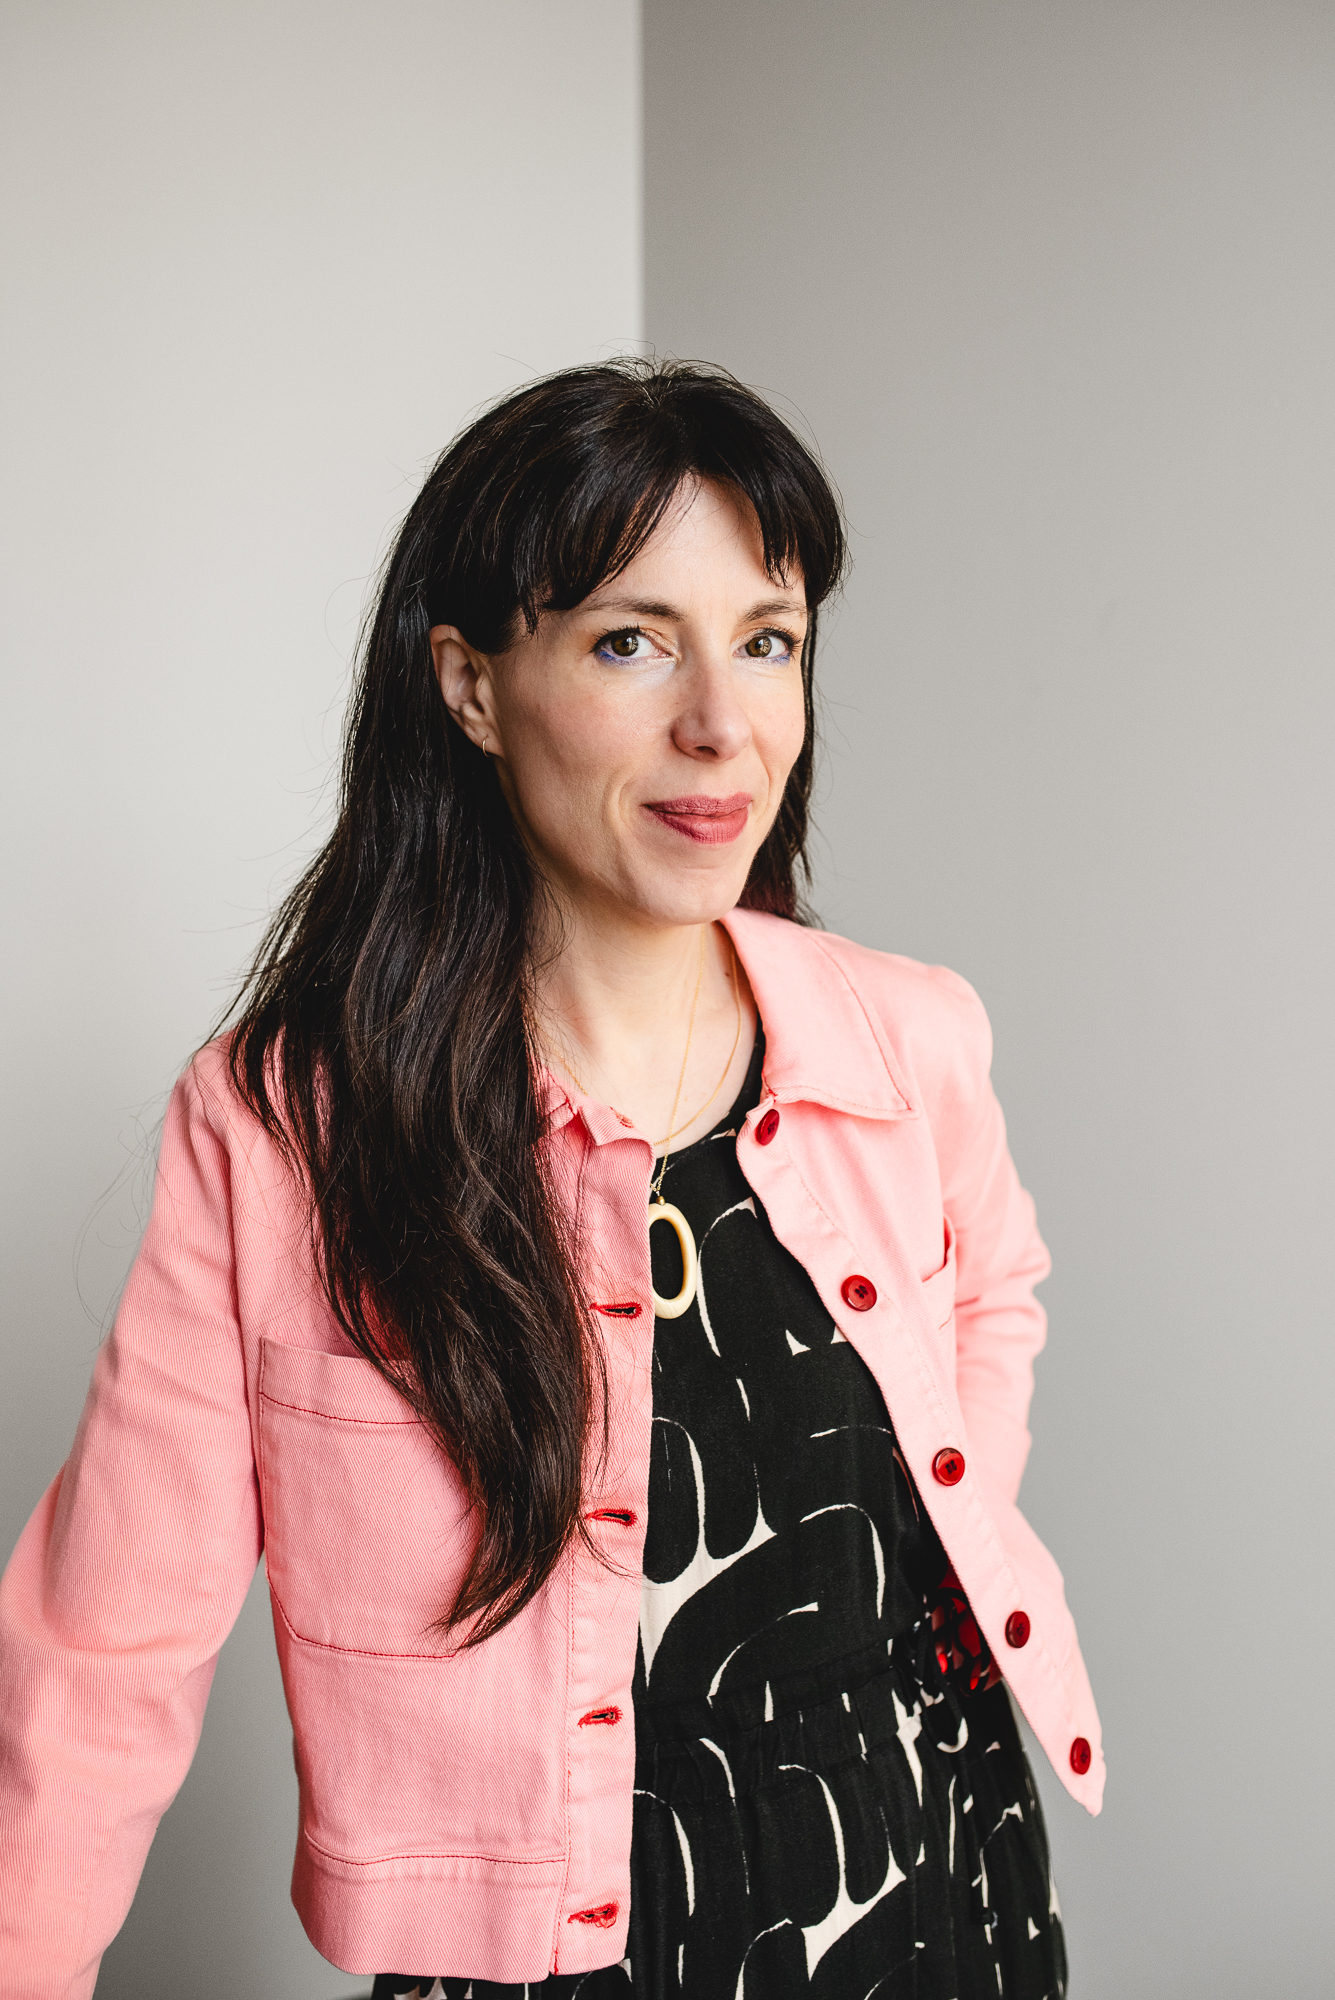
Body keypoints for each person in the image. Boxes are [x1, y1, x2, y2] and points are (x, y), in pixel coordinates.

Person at [0, 360, 1102, 1999]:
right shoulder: (288, 1132)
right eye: (630, 640)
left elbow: (995, 1285)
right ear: (470, 684)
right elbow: (99, 1658)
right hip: (545, 1963)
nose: (723, 723)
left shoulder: (906, 1039)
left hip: (930, 1888)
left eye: (769, 641)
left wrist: (945, 1545)